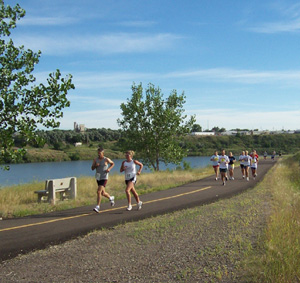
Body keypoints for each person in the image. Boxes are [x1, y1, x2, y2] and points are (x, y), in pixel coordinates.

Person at [91, 147, 115, 213]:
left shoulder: (106, 159)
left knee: (98, 192)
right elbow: (92, 168)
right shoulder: (95, 159)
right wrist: (96, 165)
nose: (99, 154)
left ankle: (97, 207)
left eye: (100, 153)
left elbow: (113, 163)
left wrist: (109, 169)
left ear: (103, 153)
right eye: (98, 153)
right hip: (98, 177)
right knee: (102, 193)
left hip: (104, 177)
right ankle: (111, 198)